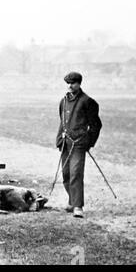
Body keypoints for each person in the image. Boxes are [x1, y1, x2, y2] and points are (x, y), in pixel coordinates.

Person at [56, 72, 102, 218]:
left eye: (73, 83)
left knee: (76, 173)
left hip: (78, 144)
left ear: (79, 84)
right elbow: (62, 122)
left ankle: (77, 206)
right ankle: (71, 200)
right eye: (68, 83)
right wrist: (59, 140)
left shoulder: (87, 101)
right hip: (65, 143)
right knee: (66, 174)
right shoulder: (63, 101)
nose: (70, 86)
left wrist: (88, 142)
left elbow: (96, 125)